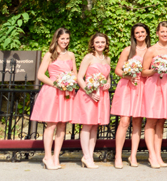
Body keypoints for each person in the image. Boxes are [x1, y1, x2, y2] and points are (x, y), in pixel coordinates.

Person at [31, 28, 76, 170]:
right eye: (62, 39)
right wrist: (57, 84)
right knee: (51, 125)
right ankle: (47, 156)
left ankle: (56, 156)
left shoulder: (71, 55)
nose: (65, 41)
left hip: (67, 93)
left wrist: (70, 82)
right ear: (57, 39)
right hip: (52, 91)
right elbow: (40, 75)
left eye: (67, 38)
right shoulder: (49, 55)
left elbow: (74, 73)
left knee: (62, 125)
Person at [111, 23, 150, 168]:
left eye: (142, 32)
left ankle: (133, 156)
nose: (140, 34)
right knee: (124, 121)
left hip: (143, 87)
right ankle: (118, 155)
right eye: (137, 32)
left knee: (137, 122)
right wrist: (129, 76)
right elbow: (117, 70)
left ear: (147, 33)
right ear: (133, 35)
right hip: (127, 87)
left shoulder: (151, 51)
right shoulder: (128, 50)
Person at [141, 21, 167, 168]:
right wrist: (155, 69)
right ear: (157, 33)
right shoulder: (151, 50)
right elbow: (144, 72)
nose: (165, 34)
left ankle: (158, 154)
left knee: (161, 121)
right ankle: (151, 155)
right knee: (151, 121)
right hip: (154, 86)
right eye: (162, 32)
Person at [72, 33, 112, 168]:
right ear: (93, 43)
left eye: (103, 42)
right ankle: (87, 156)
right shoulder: (89, 57)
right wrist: (89, 92)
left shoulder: (107, 59)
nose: (100, 44)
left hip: (102, 95)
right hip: (88, 95)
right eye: (97, 42)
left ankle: (88, 156)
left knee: (95, 125)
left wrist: (108, 84)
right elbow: (79, 77)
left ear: (106, 43)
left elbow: (107, 77)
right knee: (87, 125)